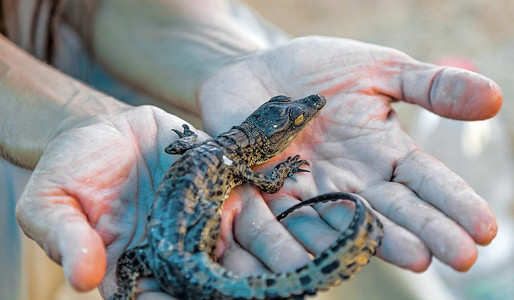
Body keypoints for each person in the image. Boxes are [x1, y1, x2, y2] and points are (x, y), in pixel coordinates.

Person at [0, 0, 502, 299]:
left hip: (173, 231)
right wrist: (67, 118)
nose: (305, 111)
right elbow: (256, 175)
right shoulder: (232, 158)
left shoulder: (222, 152)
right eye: (294, 119)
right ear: (269, 138)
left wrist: (231, 56)